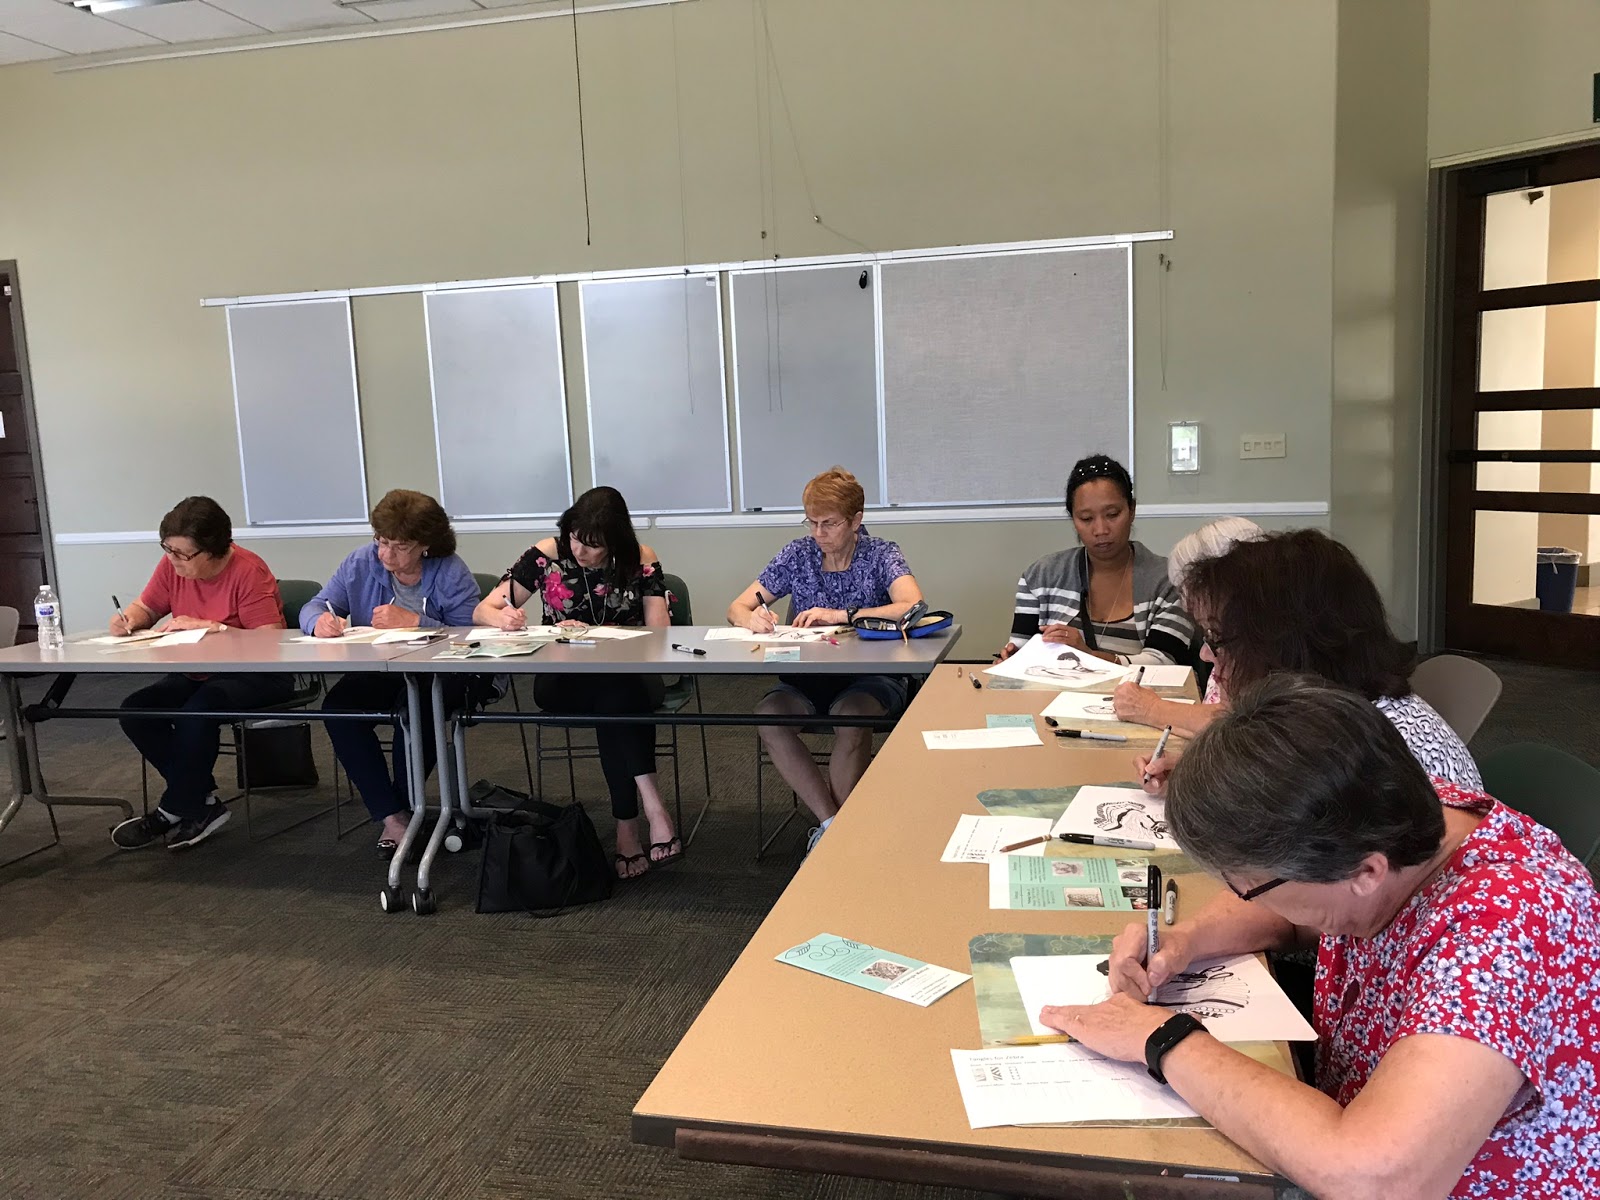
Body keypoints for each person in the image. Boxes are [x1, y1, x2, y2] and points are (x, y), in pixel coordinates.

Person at [1040, 676, 1600, 1200]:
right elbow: (1302, 913)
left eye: (1251, 888)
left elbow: (1377, 1176)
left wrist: (1163, 1040)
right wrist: (1187, 939)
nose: (1241, 898)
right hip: (1349, 1102)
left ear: (1365, 873)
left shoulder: (1504, 932)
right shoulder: (1389, 814)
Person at [1136, 528, 1482, 794]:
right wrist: (1201, 782)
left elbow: (1303, 861)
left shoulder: (1369, 753)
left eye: (1215, 638)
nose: (1205, 654)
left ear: (1280, 645)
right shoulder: (1327, 714)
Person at [475, 486, 677, 880]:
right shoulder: (547, 554)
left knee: (614, 696)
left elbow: (660, 633)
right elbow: (484, 608)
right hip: (562, 678)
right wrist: (504, 618)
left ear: (616, 541)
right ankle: (652, 807)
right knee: (616, 698)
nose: (580, 552)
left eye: (593, 545)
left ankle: (626, 828)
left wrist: (606, 632)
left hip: (628, 674)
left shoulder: (640, 559)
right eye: (574, 539)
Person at [726, 467, 924, 853]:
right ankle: (833, 826)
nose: (818, 533)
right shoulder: (798, 554)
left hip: (870, 678)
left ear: (855, 521)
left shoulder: (881, 553)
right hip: (807, 677)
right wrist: (751, 617)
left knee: (851, 718)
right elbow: (737, 605)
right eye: (811, 522)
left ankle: (837, 837)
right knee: (768, 718)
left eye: (829, 523)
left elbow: (911, 605)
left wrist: (841, 615)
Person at [301, 489, 482, 857]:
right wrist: (317, 620)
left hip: (443, 671)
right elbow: (317, 603)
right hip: (383, 668)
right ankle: (393, 814)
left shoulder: (450, 571)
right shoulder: (361, 562)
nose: (386, 555)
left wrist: (418, 622)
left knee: (412, 713)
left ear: (425, 545)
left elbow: (474, 638)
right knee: (338, 709)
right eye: (381, 542)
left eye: (399, 546)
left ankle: (406, 811)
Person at [109, 496, 290, 851]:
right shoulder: (171, 566)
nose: (173, 560)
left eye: (183, 554)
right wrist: (129, 618)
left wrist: (216, 628)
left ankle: (171, 810)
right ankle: (200, 802)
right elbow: (147, 606)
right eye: (168, 550)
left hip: (257, 674)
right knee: (135, 710)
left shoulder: (248, 570)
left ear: (214, 550)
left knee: (197, 711)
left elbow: (270, 641)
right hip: (197, 672)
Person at [1000, 454, 1194, 666]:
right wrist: (1011, 663)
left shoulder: (1170, 579)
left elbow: (1164, 664)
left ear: (1132, 510)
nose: (1100, 530)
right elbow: (1022, 653)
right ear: (1073, 519)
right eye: (1086, 519)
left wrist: (1087, 656)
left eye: (1112, 514)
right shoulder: (1040, 577)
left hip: (1137, 697)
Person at [1111, 516, 1263, 735]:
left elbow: (1238, 725)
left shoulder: (1260, 652)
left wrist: (1150, 708)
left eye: (1213, 632)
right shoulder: (1236, 636)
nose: (1205, 654)